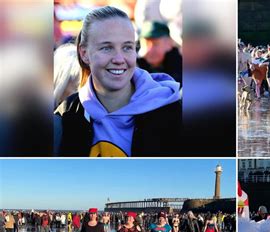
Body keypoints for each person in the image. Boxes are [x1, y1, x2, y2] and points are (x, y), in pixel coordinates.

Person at [57, 6, 181, 157]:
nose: (119, 59)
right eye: (106, 48)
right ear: (84, 54)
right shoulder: (66, 115)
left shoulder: (172, 114)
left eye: (127, 47)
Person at [137, 21, 182, 86]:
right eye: (146, 44)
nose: (150, 49)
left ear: (169, 43)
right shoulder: (135, 65)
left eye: (155, 44)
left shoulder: (180, 63)